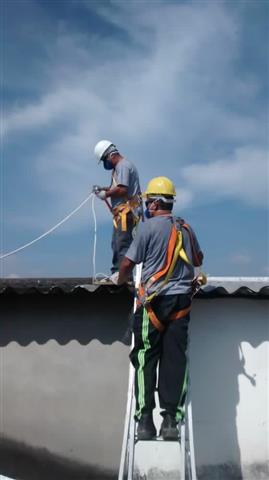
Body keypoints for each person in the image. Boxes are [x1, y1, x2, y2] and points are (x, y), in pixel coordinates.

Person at [117, 176, 204, 440]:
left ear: (154, 202)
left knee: (145, 358)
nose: (146, 206)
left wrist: (121, 281)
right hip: (180, 304)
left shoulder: (147, 228)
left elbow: (127, 264)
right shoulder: (185, 228)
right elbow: (198, 259)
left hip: (152, 304)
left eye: (147, 202)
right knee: (175, 359)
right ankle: (170, 422)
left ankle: (145, 422)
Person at [93, 140, 141, 280]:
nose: (105, 163)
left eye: (104, 160)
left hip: (127, 213)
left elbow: (122, 189)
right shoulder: (119, 168)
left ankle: (123, 276)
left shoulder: (123, 166)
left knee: (122, 243)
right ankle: (117, 273)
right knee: (116, 243)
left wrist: (106, 195)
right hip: (122, 214)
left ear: (109, 155)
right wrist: (103, 190)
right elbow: (117, 187)